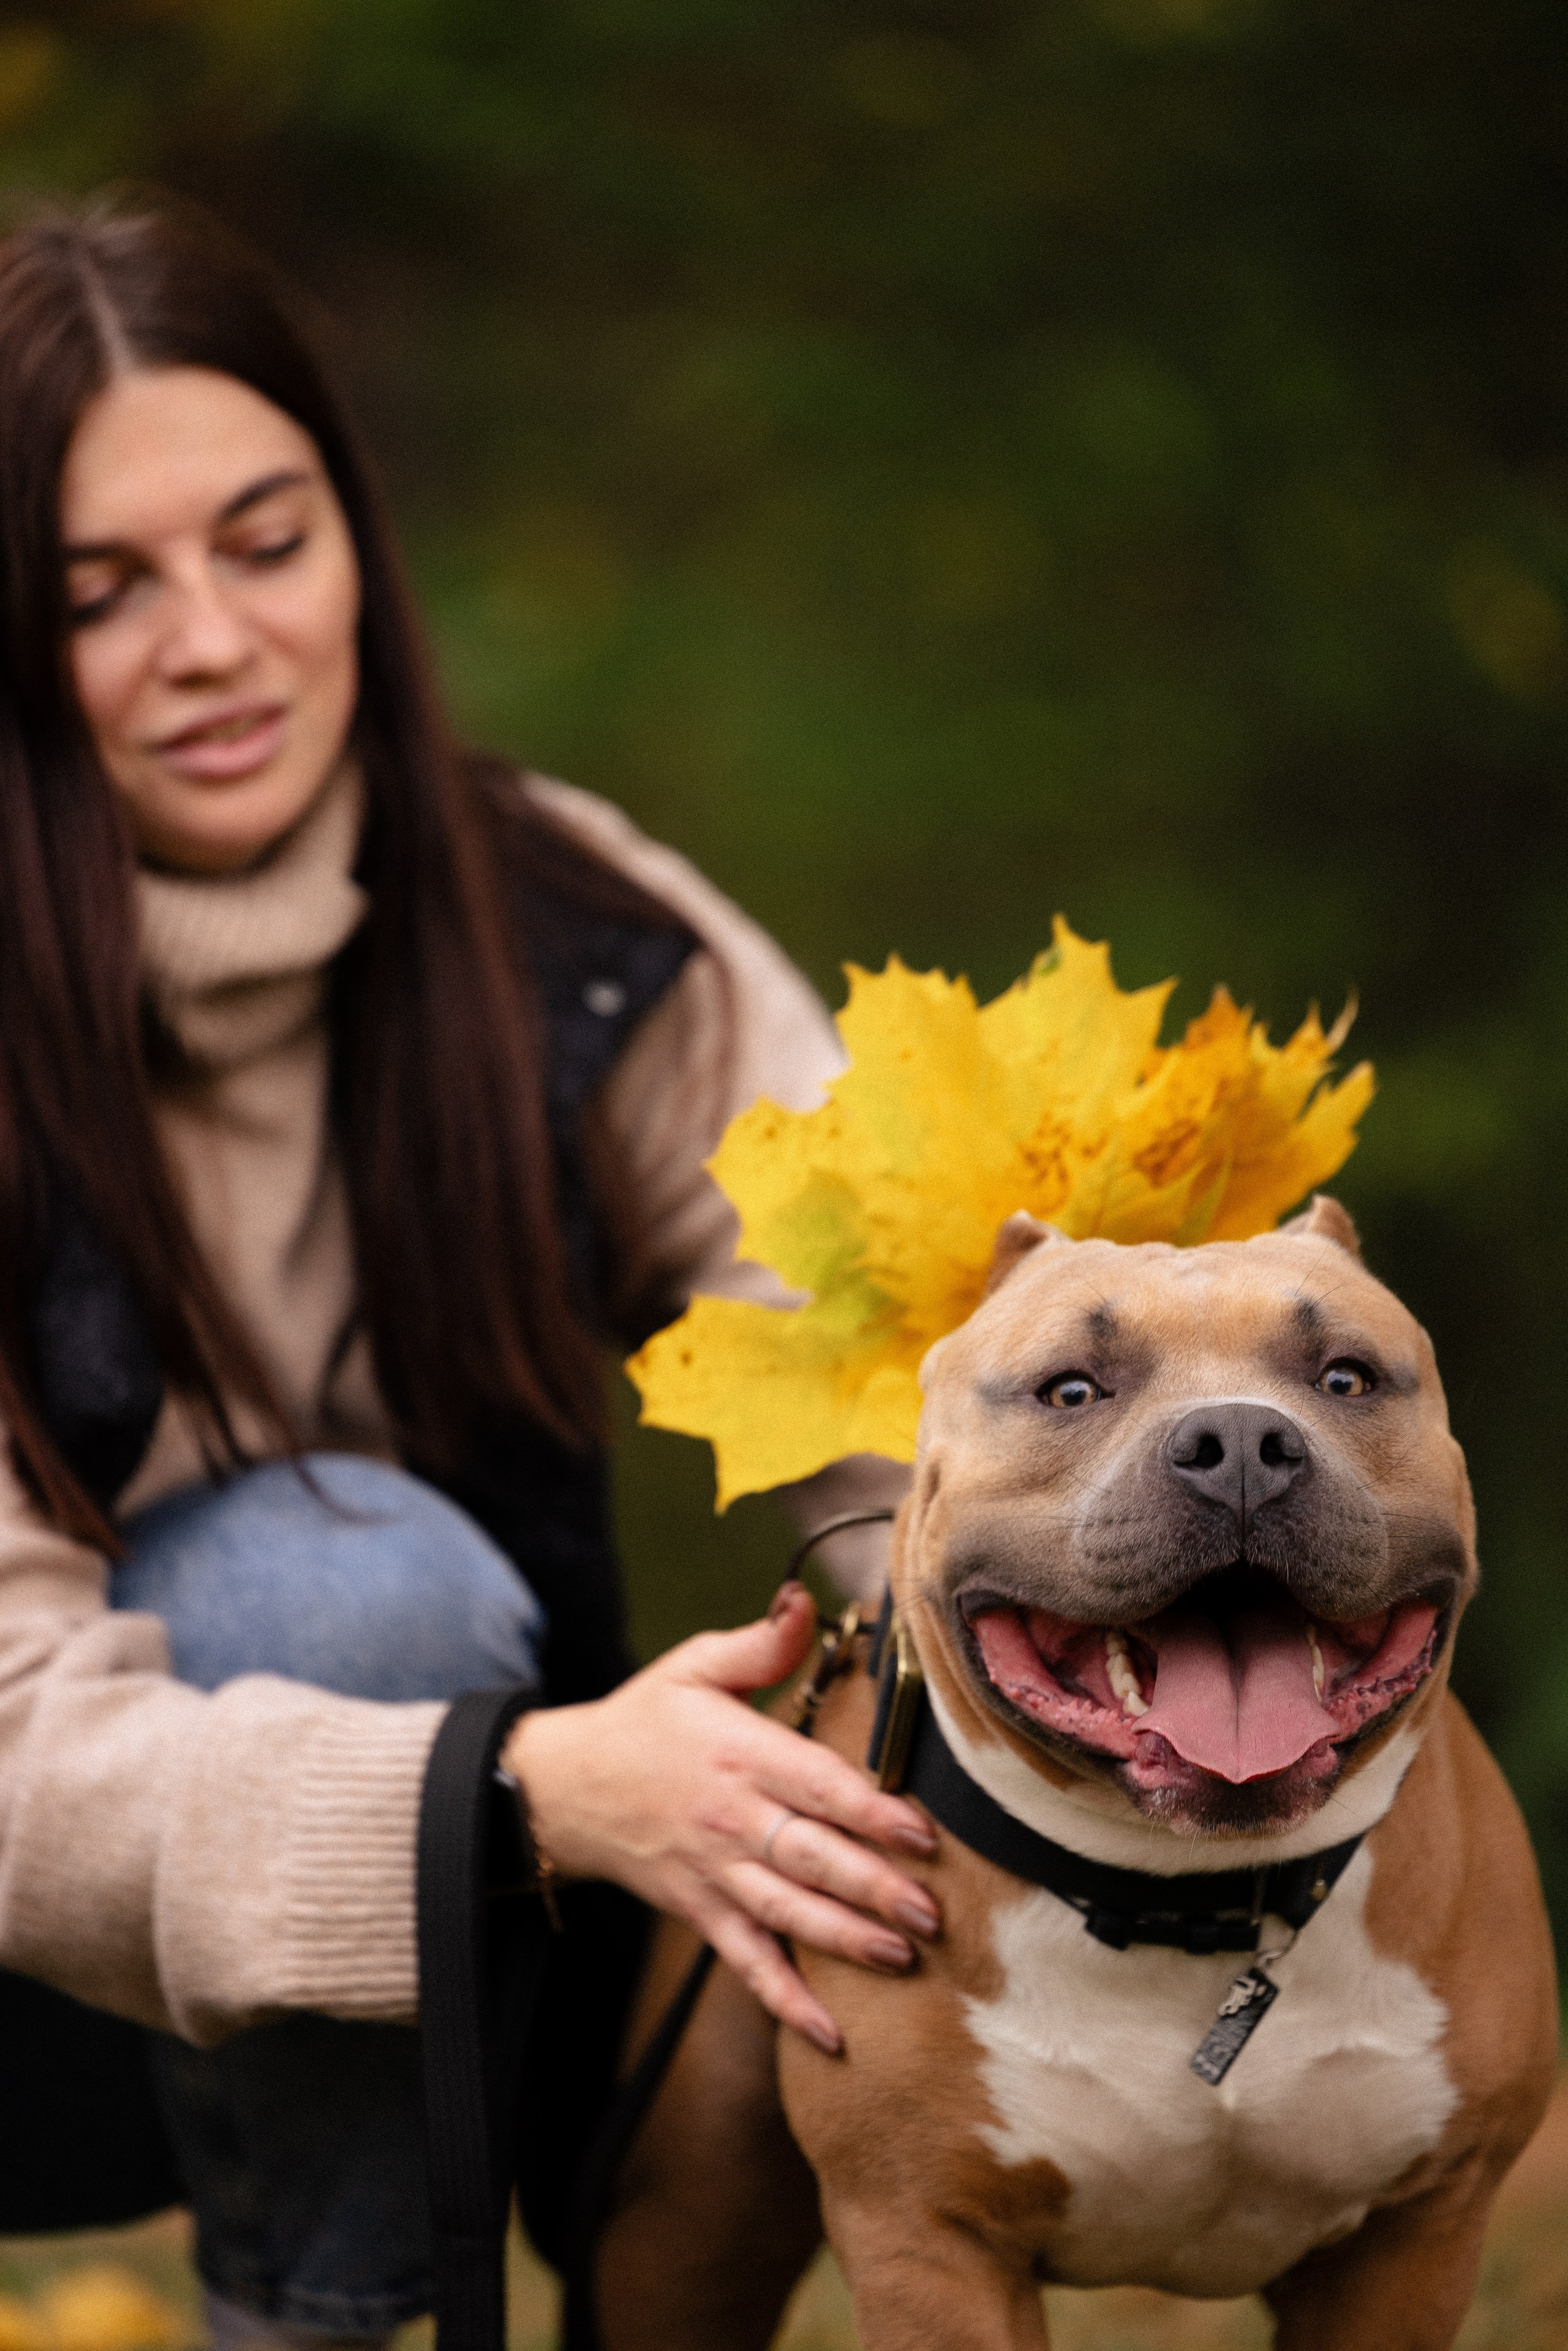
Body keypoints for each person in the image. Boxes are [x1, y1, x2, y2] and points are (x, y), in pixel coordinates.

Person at [0, 197, 929, 2349]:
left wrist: (930, 1618)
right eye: (97, 594)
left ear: (359, 539)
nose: (219, 643)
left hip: (474, 1937)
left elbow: (875, 1353)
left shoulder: (569, 932)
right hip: (47, 1957)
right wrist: (509, 1792)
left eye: (267, 539)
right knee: (352, 1585)